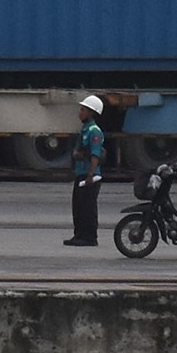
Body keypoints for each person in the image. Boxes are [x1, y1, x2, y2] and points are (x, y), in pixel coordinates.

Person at [66, 94, 107, 247]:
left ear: (91, 112)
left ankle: (90, 237)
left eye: (83, 110)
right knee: (78, 206)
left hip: (90, 176)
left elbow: (96, 155)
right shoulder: (85, 130)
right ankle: (79, 235)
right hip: (81, 174)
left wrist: (90, 174)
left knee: (88, 208)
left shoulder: (94, 132)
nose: (80, 112)